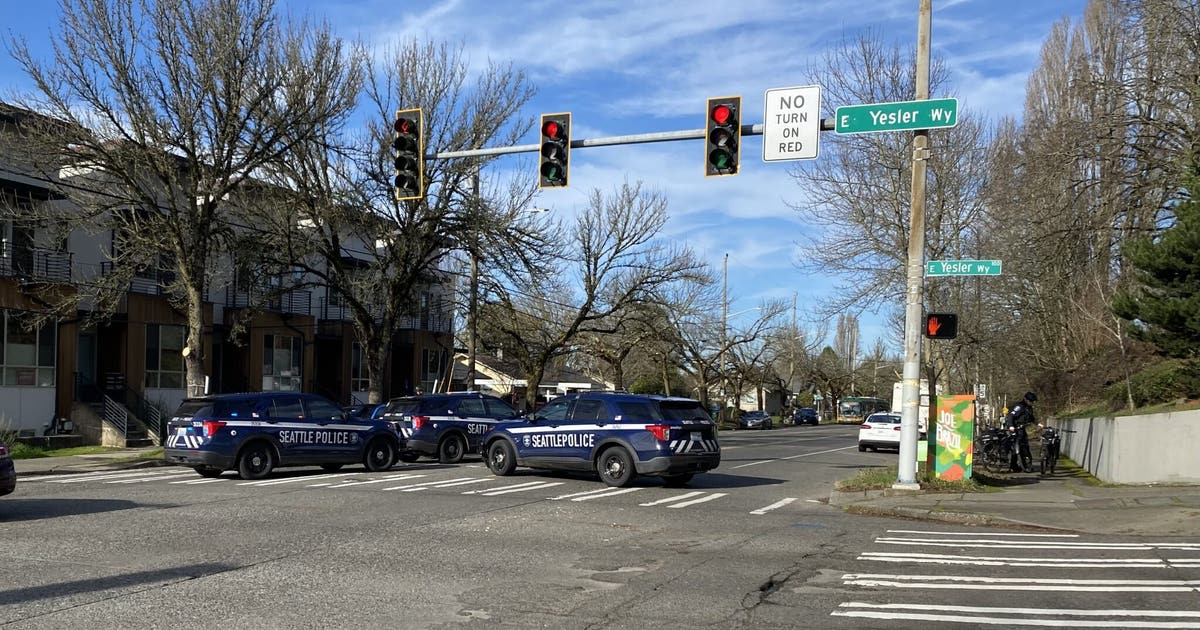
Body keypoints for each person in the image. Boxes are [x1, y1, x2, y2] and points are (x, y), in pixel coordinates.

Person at [1003, 391, 1038, 472]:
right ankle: (1014, 466)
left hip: (1022, 429)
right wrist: (1011, 426)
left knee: (1025, 447)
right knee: (1015, 448)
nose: (1031, 403)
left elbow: (1031, 418)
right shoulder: (1019, 407)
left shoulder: (1029, 408)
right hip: (1015, 429)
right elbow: (1011, 416)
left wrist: (1037, 423)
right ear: (1025, 399)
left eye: (1032, 401)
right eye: (1030, 401)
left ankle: (1027, 464)